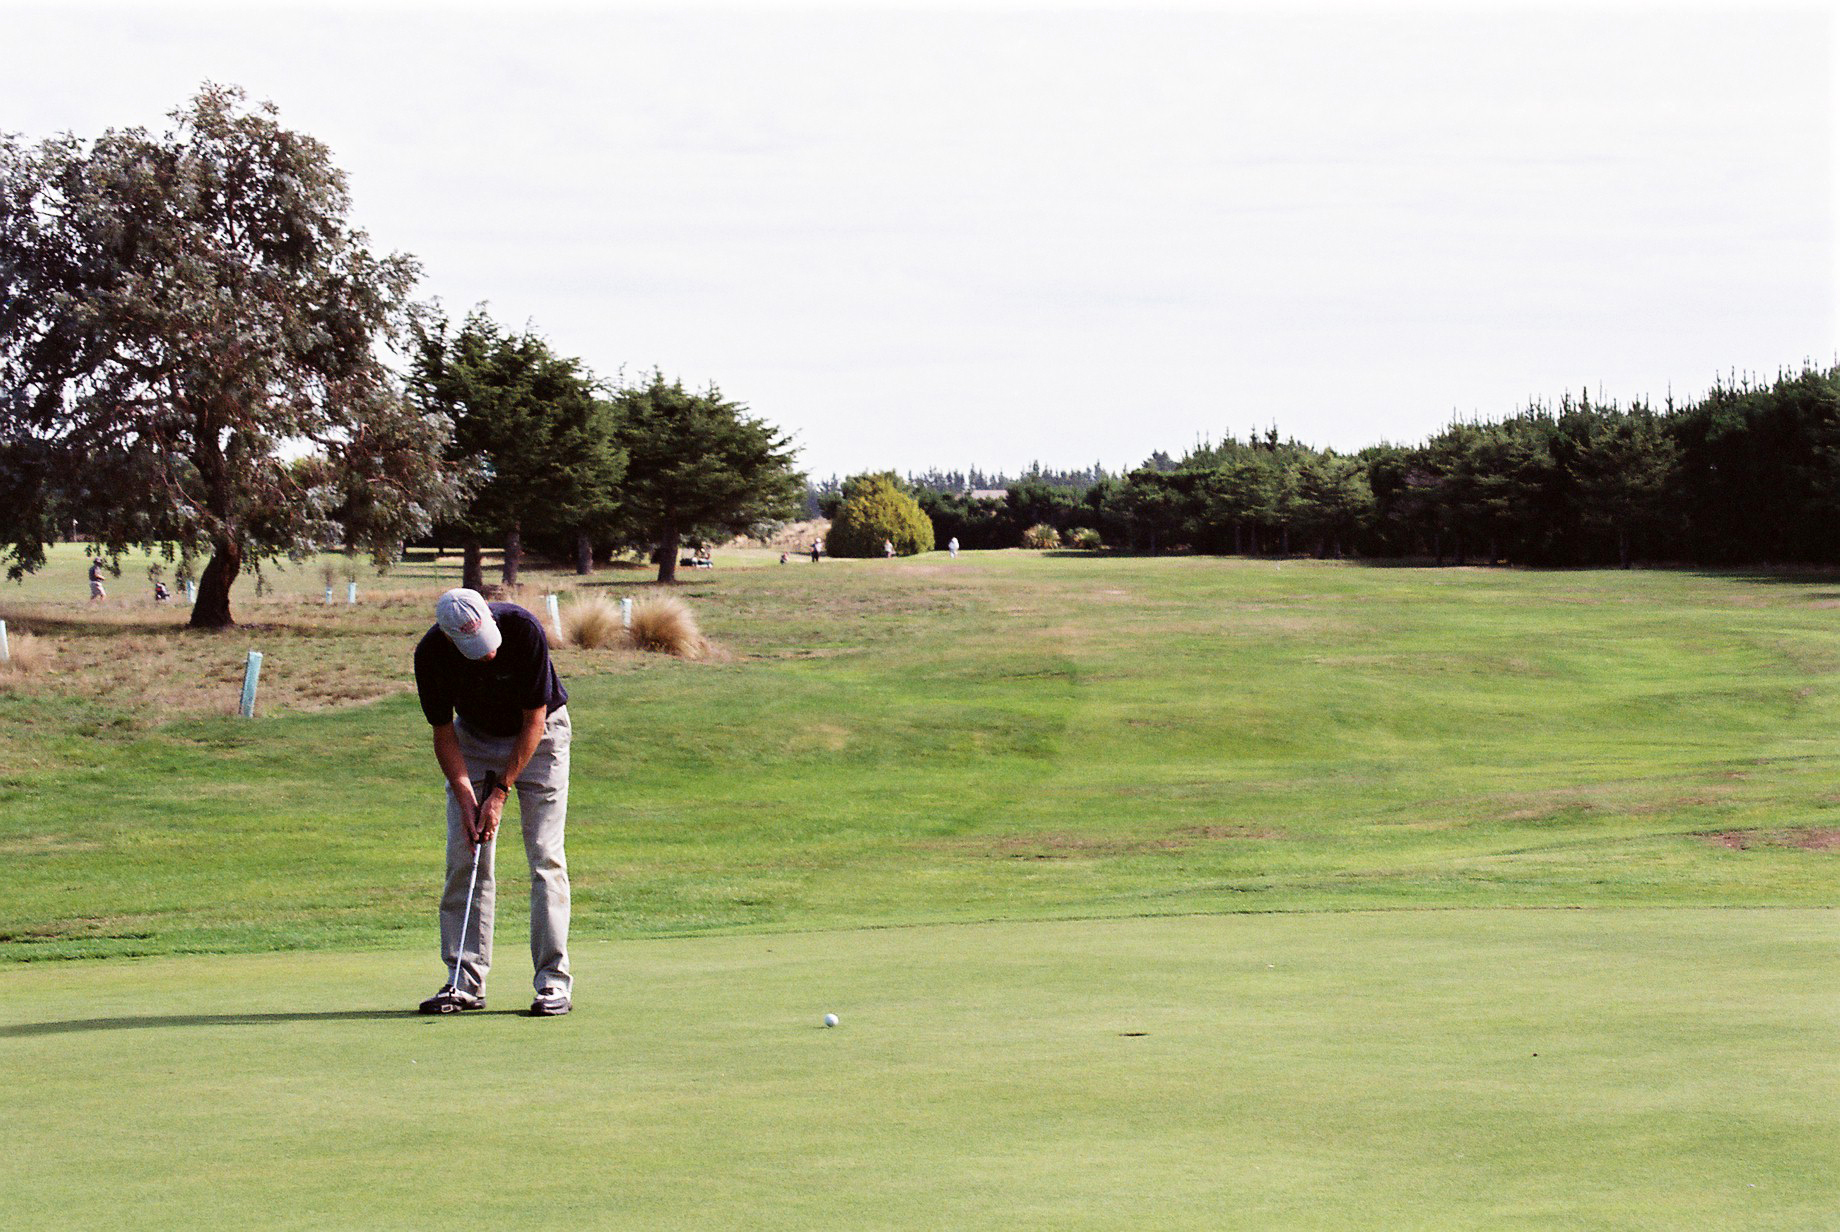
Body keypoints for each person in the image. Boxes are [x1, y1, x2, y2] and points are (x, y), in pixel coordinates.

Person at [414, 587, 574, 1017]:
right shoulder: (430, 654)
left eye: (485, 640)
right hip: (475, 739)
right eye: (471, 648)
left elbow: (535, 718)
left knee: (544, 856)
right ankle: (463, 982)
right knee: (467, 857)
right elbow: (444, 734)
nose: (485, 655)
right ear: (448, 638)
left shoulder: (522, 629)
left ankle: (553, 983)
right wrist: (467, 794)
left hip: (540, 738)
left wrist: (499, 792)